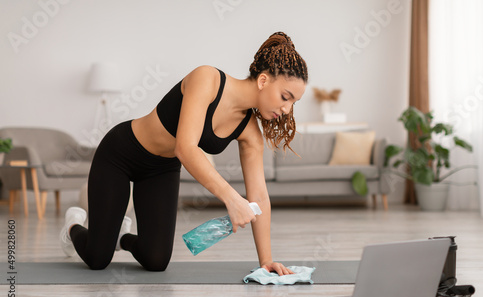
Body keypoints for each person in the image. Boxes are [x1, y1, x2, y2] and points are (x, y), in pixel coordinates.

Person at [60, 31, 308, 274]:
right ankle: (72, 225)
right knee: (97, 259)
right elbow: (185, 148)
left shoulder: (250, 133)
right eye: (285, 97)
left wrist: (266, 261)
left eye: (293, 103)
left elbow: (260, 197)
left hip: (161, 169)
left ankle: (122, 236)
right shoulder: (207, 79)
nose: (287, 109)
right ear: (263, 80)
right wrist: (232, 199)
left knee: (156, 260)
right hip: (121, 154)